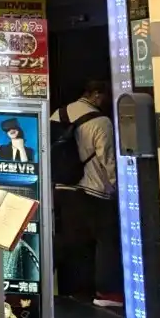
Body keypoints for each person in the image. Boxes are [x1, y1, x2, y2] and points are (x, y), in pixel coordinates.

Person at [50, 81, 119, 302]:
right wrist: (118, 187)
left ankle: (74, 290)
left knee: (73, 241)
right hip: (93, 190)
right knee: (104, 240)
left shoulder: (58, 114)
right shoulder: (101, 122)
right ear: (97, 95)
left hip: (61, 188)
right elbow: (108, 160)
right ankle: (105, 292)